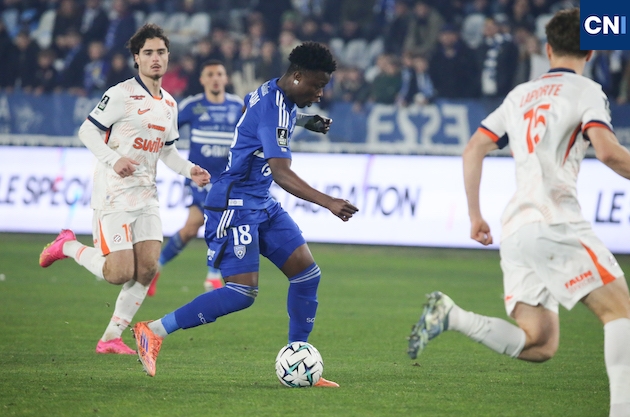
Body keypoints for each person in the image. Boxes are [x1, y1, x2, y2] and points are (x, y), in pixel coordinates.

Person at [407, 9, 630, 417]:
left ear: (548, 49)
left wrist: (475, 215)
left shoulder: (520, 95)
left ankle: (453, 316)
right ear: (591, 51)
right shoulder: (587, 90)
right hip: (556, 220)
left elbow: (473, 148)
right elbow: (608, 152)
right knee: (621, 312)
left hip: (516, 229)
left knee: (540, 342)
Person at [131, 42, 359, 386]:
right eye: (317, 85)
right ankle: (153, 330)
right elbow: (281, 173)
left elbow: (252, 110)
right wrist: (328, 202)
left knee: (306, 275)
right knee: (241, 293)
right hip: (234, 205)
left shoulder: (273, 92)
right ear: (298, 76)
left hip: (261, 202)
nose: (320, 93)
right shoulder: (273, 106)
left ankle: (299, 361)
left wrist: (304, 121)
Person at [38, 23, 210, 355]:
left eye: (161, 52)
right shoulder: (121, 94)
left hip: (147, 195)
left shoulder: (170, 104)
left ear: (168, 56)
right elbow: (87, 131)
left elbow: (167, 152)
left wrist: (190, 171)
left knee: (147, 268)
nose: (156, 58)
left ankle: (110, 338)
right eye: (148, 53)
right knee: (118, 273)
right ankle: (67, 245)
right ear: (136, 58)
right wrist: (114, 159)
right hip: (113, 193)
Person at [147, 60, 244, 296]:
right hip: (200, 177)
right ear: (202, 80)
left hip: (226, 178)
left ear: (225, 78)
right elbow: (166, 131)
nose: (215, 78)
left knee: (192, 227)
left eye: (219, 74)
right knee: (219, 219)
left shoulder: (237, 106)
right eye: (210, 74)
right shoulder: (192, 106)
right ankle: (213, 277)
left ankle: (156, 267)